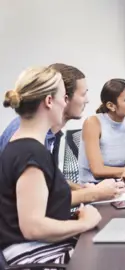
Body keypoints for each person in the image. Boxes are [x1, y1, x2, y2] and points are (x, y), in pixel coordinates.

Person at [0, 66, 101, 266]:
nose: (65, 104)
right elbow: (33, 227)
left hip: (37, 249)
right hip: (31, 254)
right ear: (48, 101)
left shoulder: (24, 147)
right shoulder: (31, 154)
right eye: (64, 98)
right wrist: (84, 223)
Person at [0, 63, 125, 205]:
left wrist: (83, 189)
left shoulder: (52, 134)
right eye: (83, 94)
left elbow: (46, 180)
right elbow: (33, 203)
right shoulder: (27, 140)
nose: (87, 100)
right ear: (61, 97)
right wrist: (93, 194)